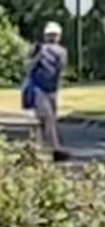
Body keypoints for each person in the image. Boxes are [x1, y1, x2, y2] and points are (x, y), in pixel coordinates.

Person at [25, 21, 67, 155]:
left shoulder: (42, 49)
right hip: (43, 89)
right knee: (48, 118)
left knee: (46, 119)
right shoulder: (60, 51)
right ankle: (54, 147)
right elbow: (62, 67)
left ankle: (43, 146)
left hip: (45, 88)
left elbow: (29, 67)